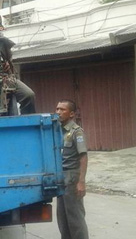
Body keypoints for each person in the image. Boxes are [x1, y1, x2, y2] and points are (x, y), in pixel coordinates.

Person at [56, 99, 89, 239]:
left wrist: (81, 182)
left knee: (75, 218)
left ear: (71, 114)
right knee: (62, 218)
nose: (58, 112)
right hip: (61, 177)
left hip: (72, 178)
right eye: (57, 109)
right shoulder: (57, 131)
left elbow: (83, 157)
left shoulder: (77, 132)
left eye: (62, 109)